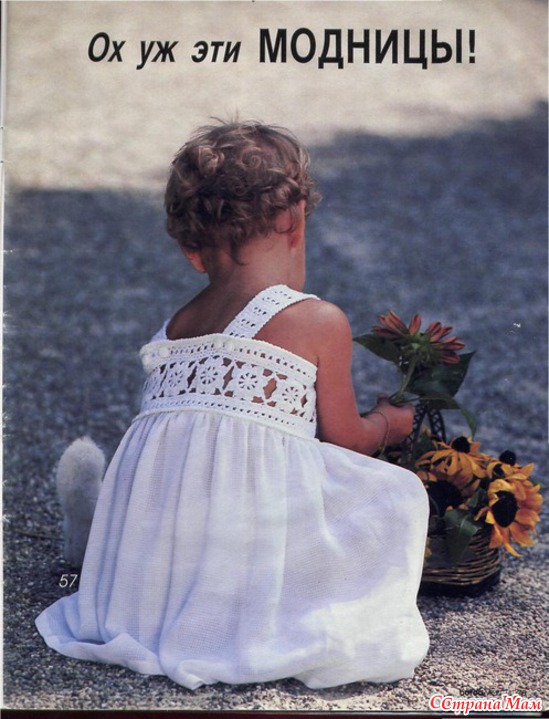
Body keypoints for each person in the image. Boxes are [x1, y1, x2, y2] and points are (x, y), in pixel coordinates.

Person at [36, 121, 429, 690]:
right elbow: (346, 439)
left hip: (165, 528)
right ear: (296, 220)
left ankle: (105, 547)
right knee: (395, 496)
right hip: (243, 531)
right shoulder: (317, 320)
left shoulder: (176, 325)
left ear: (192, 251)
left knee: (204, 498)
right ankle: (105, 542)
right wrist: (389, 422)